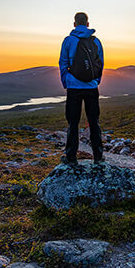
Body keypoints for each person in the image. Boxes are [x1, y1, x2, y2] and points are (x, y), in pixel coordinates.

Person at [58, 12, 104, 166]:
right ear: (88, 24)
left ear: (74, 24)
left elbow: (63, 63)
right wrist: (95, 81)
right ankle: (98, 156)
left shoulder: (68, 40)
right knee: (94, 121)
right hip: (91, 87)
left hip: (74, 88)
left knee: (73, 122)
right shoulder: (96, 41)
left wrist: (67, 82)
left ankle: (71, 157)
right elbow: (100, 64)